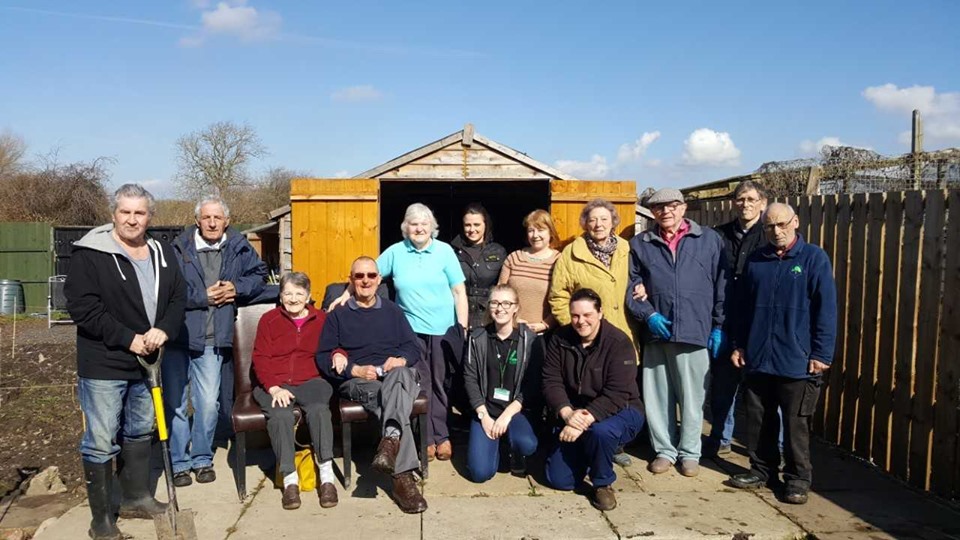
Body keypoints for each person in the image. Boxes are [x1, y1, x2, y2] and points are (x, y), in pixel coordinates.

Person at [65, 184, 186, 540]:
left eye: (140, 213)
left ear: (150, 216)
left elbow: (179, 296)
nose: (132, 220)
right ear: (113, 214)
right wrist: (127, 338)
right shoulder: (90, 253)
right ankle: (101, 521)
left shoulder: (161, 252)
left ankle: (135, 497)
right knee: (101, 440)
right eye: (125, 212)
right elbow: (83, 308)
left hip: (148, 360)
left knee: (140, 429)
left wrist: (164, 328)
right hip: (105, 361)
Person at [331, 203, 468, 460]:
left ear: (432, 228)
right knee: (419, 384)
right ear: (406, 228)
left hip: (442, 329)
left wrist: (461, 326)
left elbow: (459, 291)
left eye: (424, 224)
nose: (419, 229)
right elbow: (367, 275)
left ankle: (443, 435)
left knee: (440, 383)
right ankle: (425, 438)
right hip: (410, 331)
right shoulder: (396, 252)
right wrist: (343, 296)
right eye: (414, 224)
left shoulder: (444, 251)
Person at [728, 203, 837, 505]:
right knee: (759, 419)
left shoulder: (813, 259)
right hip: (759, 356)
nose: (776, 231)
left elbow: (826, 310)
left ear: (795, 222)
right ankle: (762, 471)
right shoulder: (756, 260)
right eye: (769, 226)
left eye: (781, 224)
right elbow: (742, 309)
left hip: (797, 359)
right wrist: (739, 344)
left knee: (795, 424)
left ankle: (798, 479)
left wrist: (821, 352)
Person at [163, 195, 270, 487]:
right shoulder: (177, 249)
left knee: (208, 403)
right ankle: (179, 462)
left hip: (212, 338)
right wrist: (202, 297)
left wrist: (237, 287)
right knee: (175, 403)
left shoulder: (237, 246)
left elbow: (259, 276)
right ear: (197, 221)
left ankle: (201, 458)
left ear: (227, 221)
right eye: (207, 218)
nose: (212, 223)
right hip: (178, 336)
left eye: (217, 218)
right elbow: (165, 290)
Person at [626, 188, 727, 478]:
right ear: (651, 213)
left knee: (693, 397)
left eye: (671, 206)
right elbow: (630, 288)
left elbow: (722, 285)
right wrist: (649, 315)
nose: (665, 212)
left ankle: (690, 452)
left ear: (683, 208)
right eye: (658, 208)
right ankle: (665, 451)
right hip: (658, 333)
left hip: (695, 330)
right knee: (658, 396)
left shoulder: (708, 240)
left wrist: (718, 326)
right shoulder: (641, 243)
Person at [317, 256, 428, 514]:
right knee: (388, 394)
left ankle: (390, 443)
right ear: (351, 280)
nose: (365, 281)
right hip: (359, 381)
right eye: (359, 276)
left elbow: (413, 346)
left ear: (379, 280)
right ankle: (403, 478)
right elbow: (323, 357)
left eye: (370, 276)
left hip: (392, 376)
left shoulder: (393, 311)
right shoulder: (338, 316)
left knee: (400, 375)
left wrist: (400, 359)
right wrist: (353, 368)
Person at [542, 289, 645, 511]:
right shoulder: (560, 339)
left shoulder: (618, 342)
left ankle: (603, 482)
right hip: (574, 412)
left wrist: (584, 420)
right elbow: (551, 381)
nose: (581, 321)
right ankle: (589, 454)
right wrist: (567, 413)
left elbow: (617, 392)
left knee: (600, 432)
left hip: (621, 410)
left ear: (600, 313)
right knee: (561, 481)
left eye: (587, 314)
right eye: (575, 316)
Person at [251, 272, 338, 510]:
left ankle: (327, 477)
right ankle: (290, 479)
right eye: (288, 293)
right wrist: (273, 386)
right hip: (274, 382)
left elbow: (335, 347)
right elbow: (260, 357)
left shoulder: (321, 320)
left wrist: (340, 355)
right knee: (280, 415)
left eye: (299, 293)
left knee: (320, 410)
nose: (293, 298)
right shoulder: (269, 320)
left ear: (308, 296)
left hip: (311, 380)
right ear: (280, 296)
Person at [705, 180, 769, 457]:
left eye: (752, 199)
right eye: (741, 199)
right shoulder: (718, 236)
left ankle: (767, 446)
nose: (746, 204)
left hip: (758, 322)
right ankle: (721, 437)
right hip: (724, 319)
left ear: (762, 203)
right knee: (723, 387)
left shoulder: (769, 234)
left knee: (762, 391)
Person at [463, 285, 543, 482]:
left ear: (516, 307)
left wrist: (506, 416)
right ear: (489, 307)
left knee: (526, 444)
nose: (501, 308)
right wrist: (483, 415)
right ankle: (497, 445)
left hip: (516, 411)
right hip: (487, 410)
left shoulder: (529, 340)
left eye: (507, 303)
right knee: (480, 473)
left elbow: (532, 385)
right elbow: (470, 379)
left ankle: (515, 450)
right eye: (495, 303)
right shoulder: (477, 338)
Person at [549, 199, 633, 340]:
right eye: (592, 220)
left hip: (625, 334)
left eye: (604, 219)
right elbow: (558, 297)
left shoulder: (628, 249)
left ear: (613, 222)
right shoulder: (571, 254)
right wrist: (578, 327)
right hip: (588, 339)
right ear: (585, 224)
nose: (598, 224)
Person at [497, 209, 560, 334]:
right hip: (513, 331)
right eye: (531, 230)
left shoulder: (559, 261)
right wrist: (514, 319)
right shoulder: (514, 258)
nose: (535, 235)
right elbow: (500, 294)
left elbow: (564, 298)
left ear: (551, 232)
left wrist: (545, 324)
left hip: (546, 335)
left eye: (541, 230)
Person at [451, 203, 507, 329]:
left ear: (485, 224)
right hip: (459, 315)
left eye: (476, 225)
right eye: (467, 225)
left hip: (490, 317)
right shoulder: (452, 252)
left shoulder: (498, 252)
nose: (472, 229)